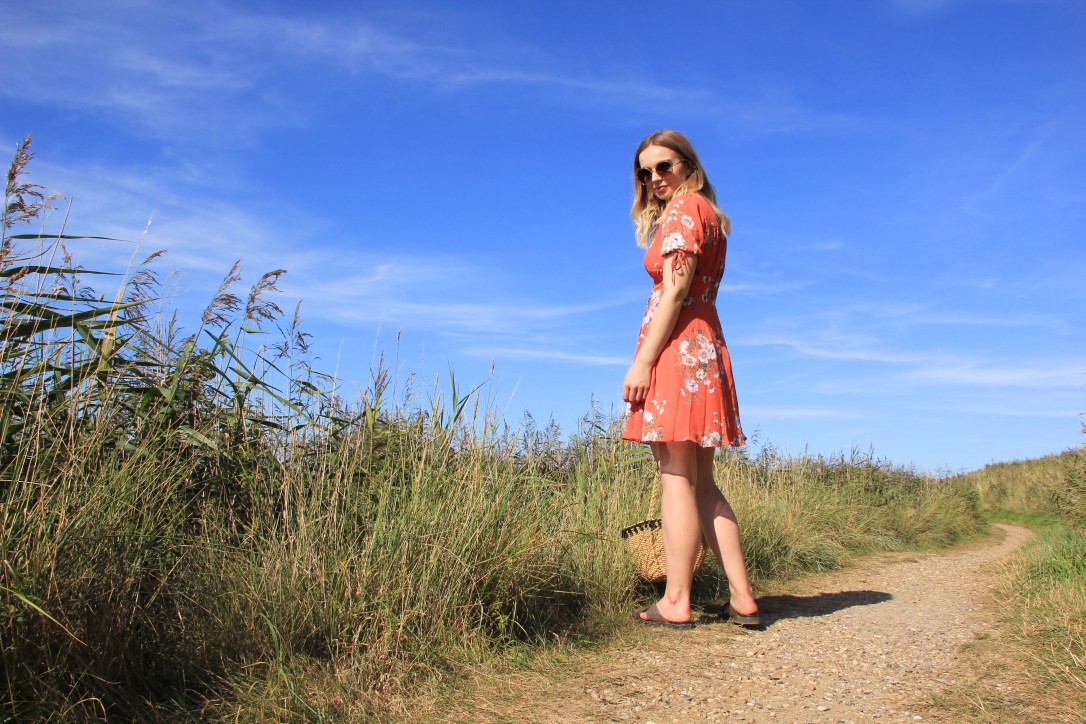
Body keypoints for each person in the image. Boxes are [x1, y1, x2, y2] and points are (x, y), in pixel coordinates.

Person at [621, 129, 759, 629]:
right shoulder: (707, 214)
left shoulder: (684, 211)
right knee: (701, 482)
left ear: (688, 165)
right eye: (645, 171)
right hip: (703, 347)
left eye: (664, 166)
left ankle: (676, 600)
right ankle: (742, 598)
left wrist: (642, 362)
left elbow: (676, 290)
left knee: (676, 476)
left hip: (679, 352)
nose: (654, 178)